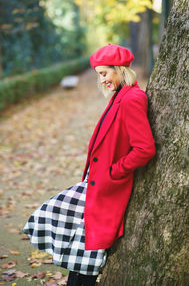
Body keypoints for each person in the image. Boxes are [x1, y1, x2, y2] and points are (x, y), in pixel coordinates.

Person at [22, 44, 156, 286]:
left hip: (107, 186)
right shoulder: (120, 97)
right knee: (55, 217)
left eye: (105, 73)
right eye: (99, 75)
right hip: (95, 184)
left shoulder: (132, 99)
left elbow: (144, 148)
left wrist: (114, 172)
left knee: (86, 253)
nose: (102, 79)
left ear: (120, 69)